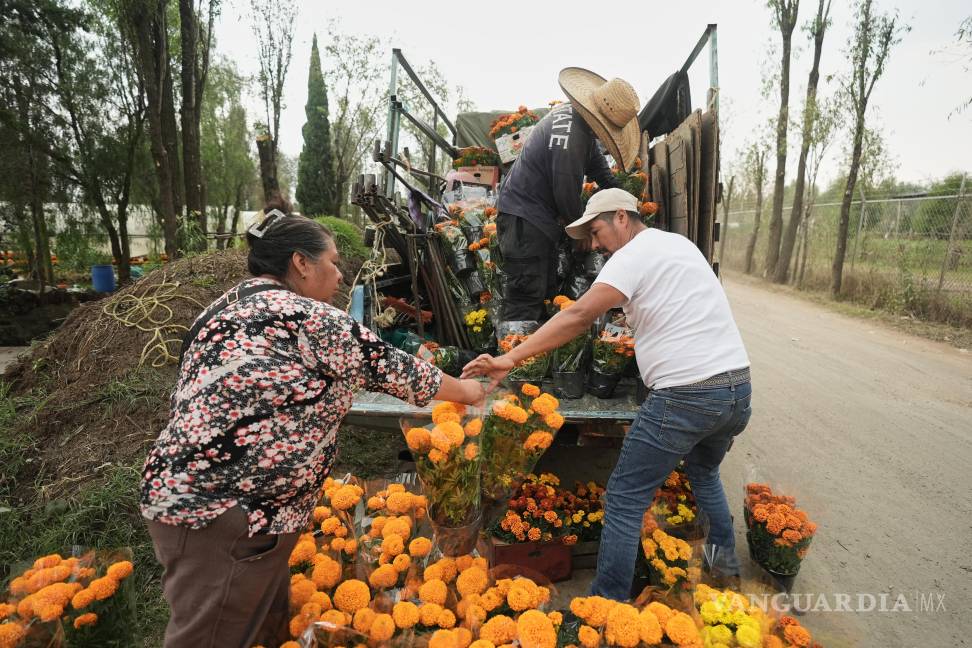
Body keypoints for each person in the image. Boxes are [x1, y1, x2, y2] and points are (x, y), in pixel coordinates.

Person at [140, 202, 485, 647]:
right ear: (301, 263)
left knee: (262, 630)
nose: (341, 276)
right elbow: (391, 367)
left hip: (220, 507)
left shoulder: (224, 310)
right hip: (226, 516)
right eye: (334, 263)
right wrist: (470, 391)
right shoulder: (304, 315)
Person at [463, 188, 752, 601]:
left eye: (596, 231)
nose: (595, 244)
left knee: (623, 499)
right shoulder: (678, 245)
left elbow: (579, 315)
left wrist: (511, 359)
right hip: (736, 388)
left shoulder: (632, 255)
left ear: (622, 216)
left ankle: (606, 606)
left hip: (686, 395)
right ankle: (727, 577)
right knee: (704, 474)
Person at [495, 68, 641, 322]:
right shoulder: (571, 139)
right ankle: (511, 358)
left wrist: (629, 205)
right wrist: (583, 233)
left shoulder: (576, 121)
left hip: (533, 220)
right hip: (524, 221)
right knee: (525, 299)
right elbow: (565, 194)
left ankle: (534, 355)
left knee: (544, 292)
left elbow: (601, 173)